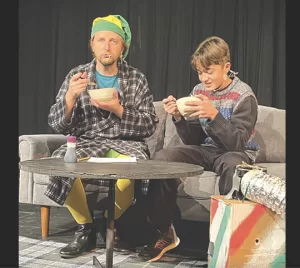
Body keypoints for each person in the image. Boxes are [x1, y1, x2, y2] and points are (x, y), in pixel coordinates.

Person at [45, 14, 158, 259]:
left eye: (114, 41)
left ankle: (108, 222)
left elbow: (149, 124)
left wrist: (118, 109)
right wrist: (69, 99)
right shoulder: (77, 75)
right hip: (88, 141)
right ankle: (86, 227)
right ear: (92, 44)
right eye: (101, 40)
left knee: (132, 175)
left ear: (122, 47)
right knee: (61, 163)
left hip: (125, 143)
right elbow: (56, 123)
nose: (107, 47)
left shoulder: (136, 79)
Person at [138, 36, 259, 262]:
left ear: (226, 67)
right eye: (200, 73)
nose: (204, 78)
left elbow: (238, 142)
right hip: (206, 149)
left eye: (209, 71)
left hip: (235, 152)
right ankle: (165, 231)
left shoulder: (244, 95)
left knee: (233, 165)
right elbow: (193, 138)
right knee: (163, 158)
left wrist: (213, 114)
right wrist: (177, 116)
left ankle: (225, 237)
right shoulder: (199, 90)